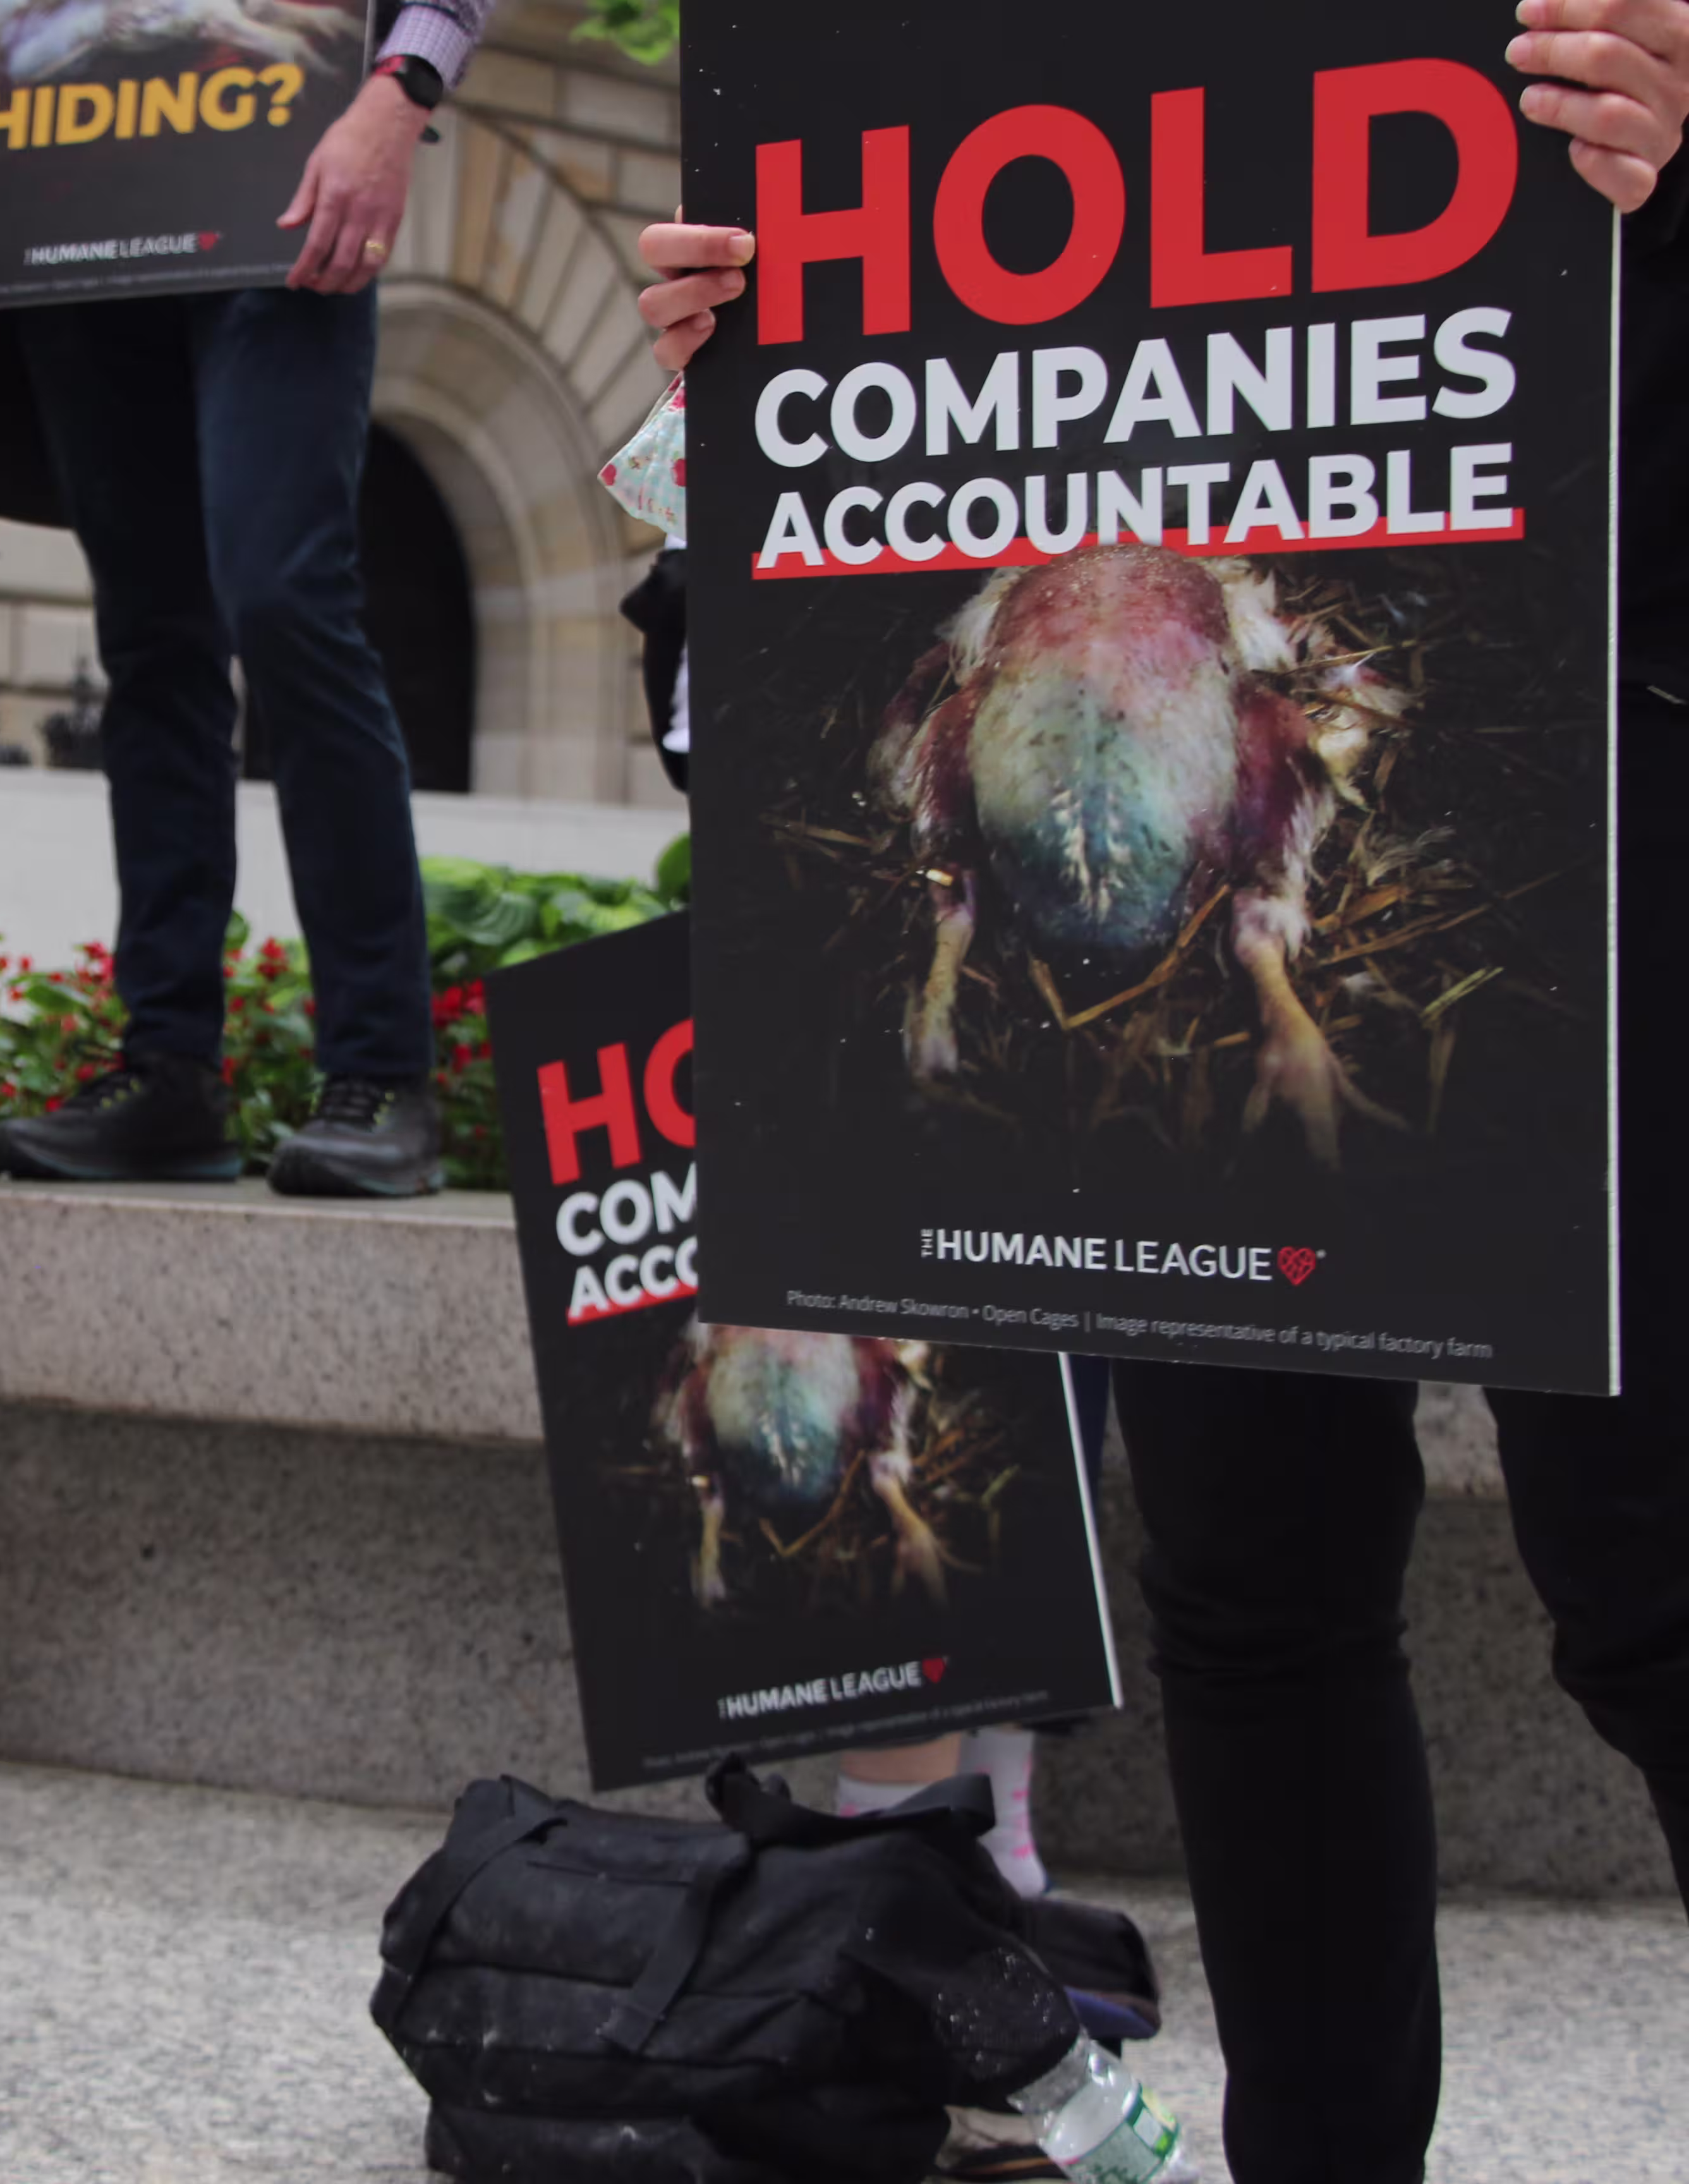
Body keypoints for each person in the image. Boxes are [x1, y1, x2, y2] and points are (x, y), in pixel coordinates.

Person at [640, 11, 1689, 2180]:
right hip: (1178, 870)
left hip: (1593, 766)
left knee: (1650, 1588)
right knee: (1251, 1579)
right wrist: (763, 336)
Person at [0, 0, 480, 1198]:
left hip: (275, 174)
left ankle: (383, 1074)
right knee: (149, 637)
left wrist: (397, 96)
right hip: (63, 210)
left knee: (287, 599)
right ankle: (170, 1077)